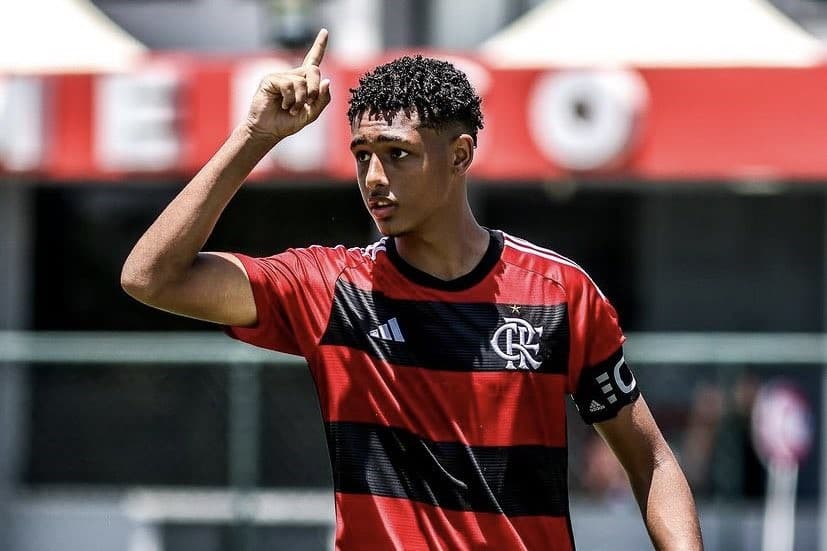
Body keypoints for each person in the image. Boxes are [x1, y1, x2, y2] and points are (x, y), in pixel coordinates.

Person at [121, 29, 703, 550]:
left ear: (460, 155)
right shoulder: (328, 288)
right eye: (362, 156)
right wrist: (252, 137)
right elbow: (151, 277)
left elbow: (650, 460)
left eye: (397, 155)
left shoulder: (561, 292)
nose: (374, 179)